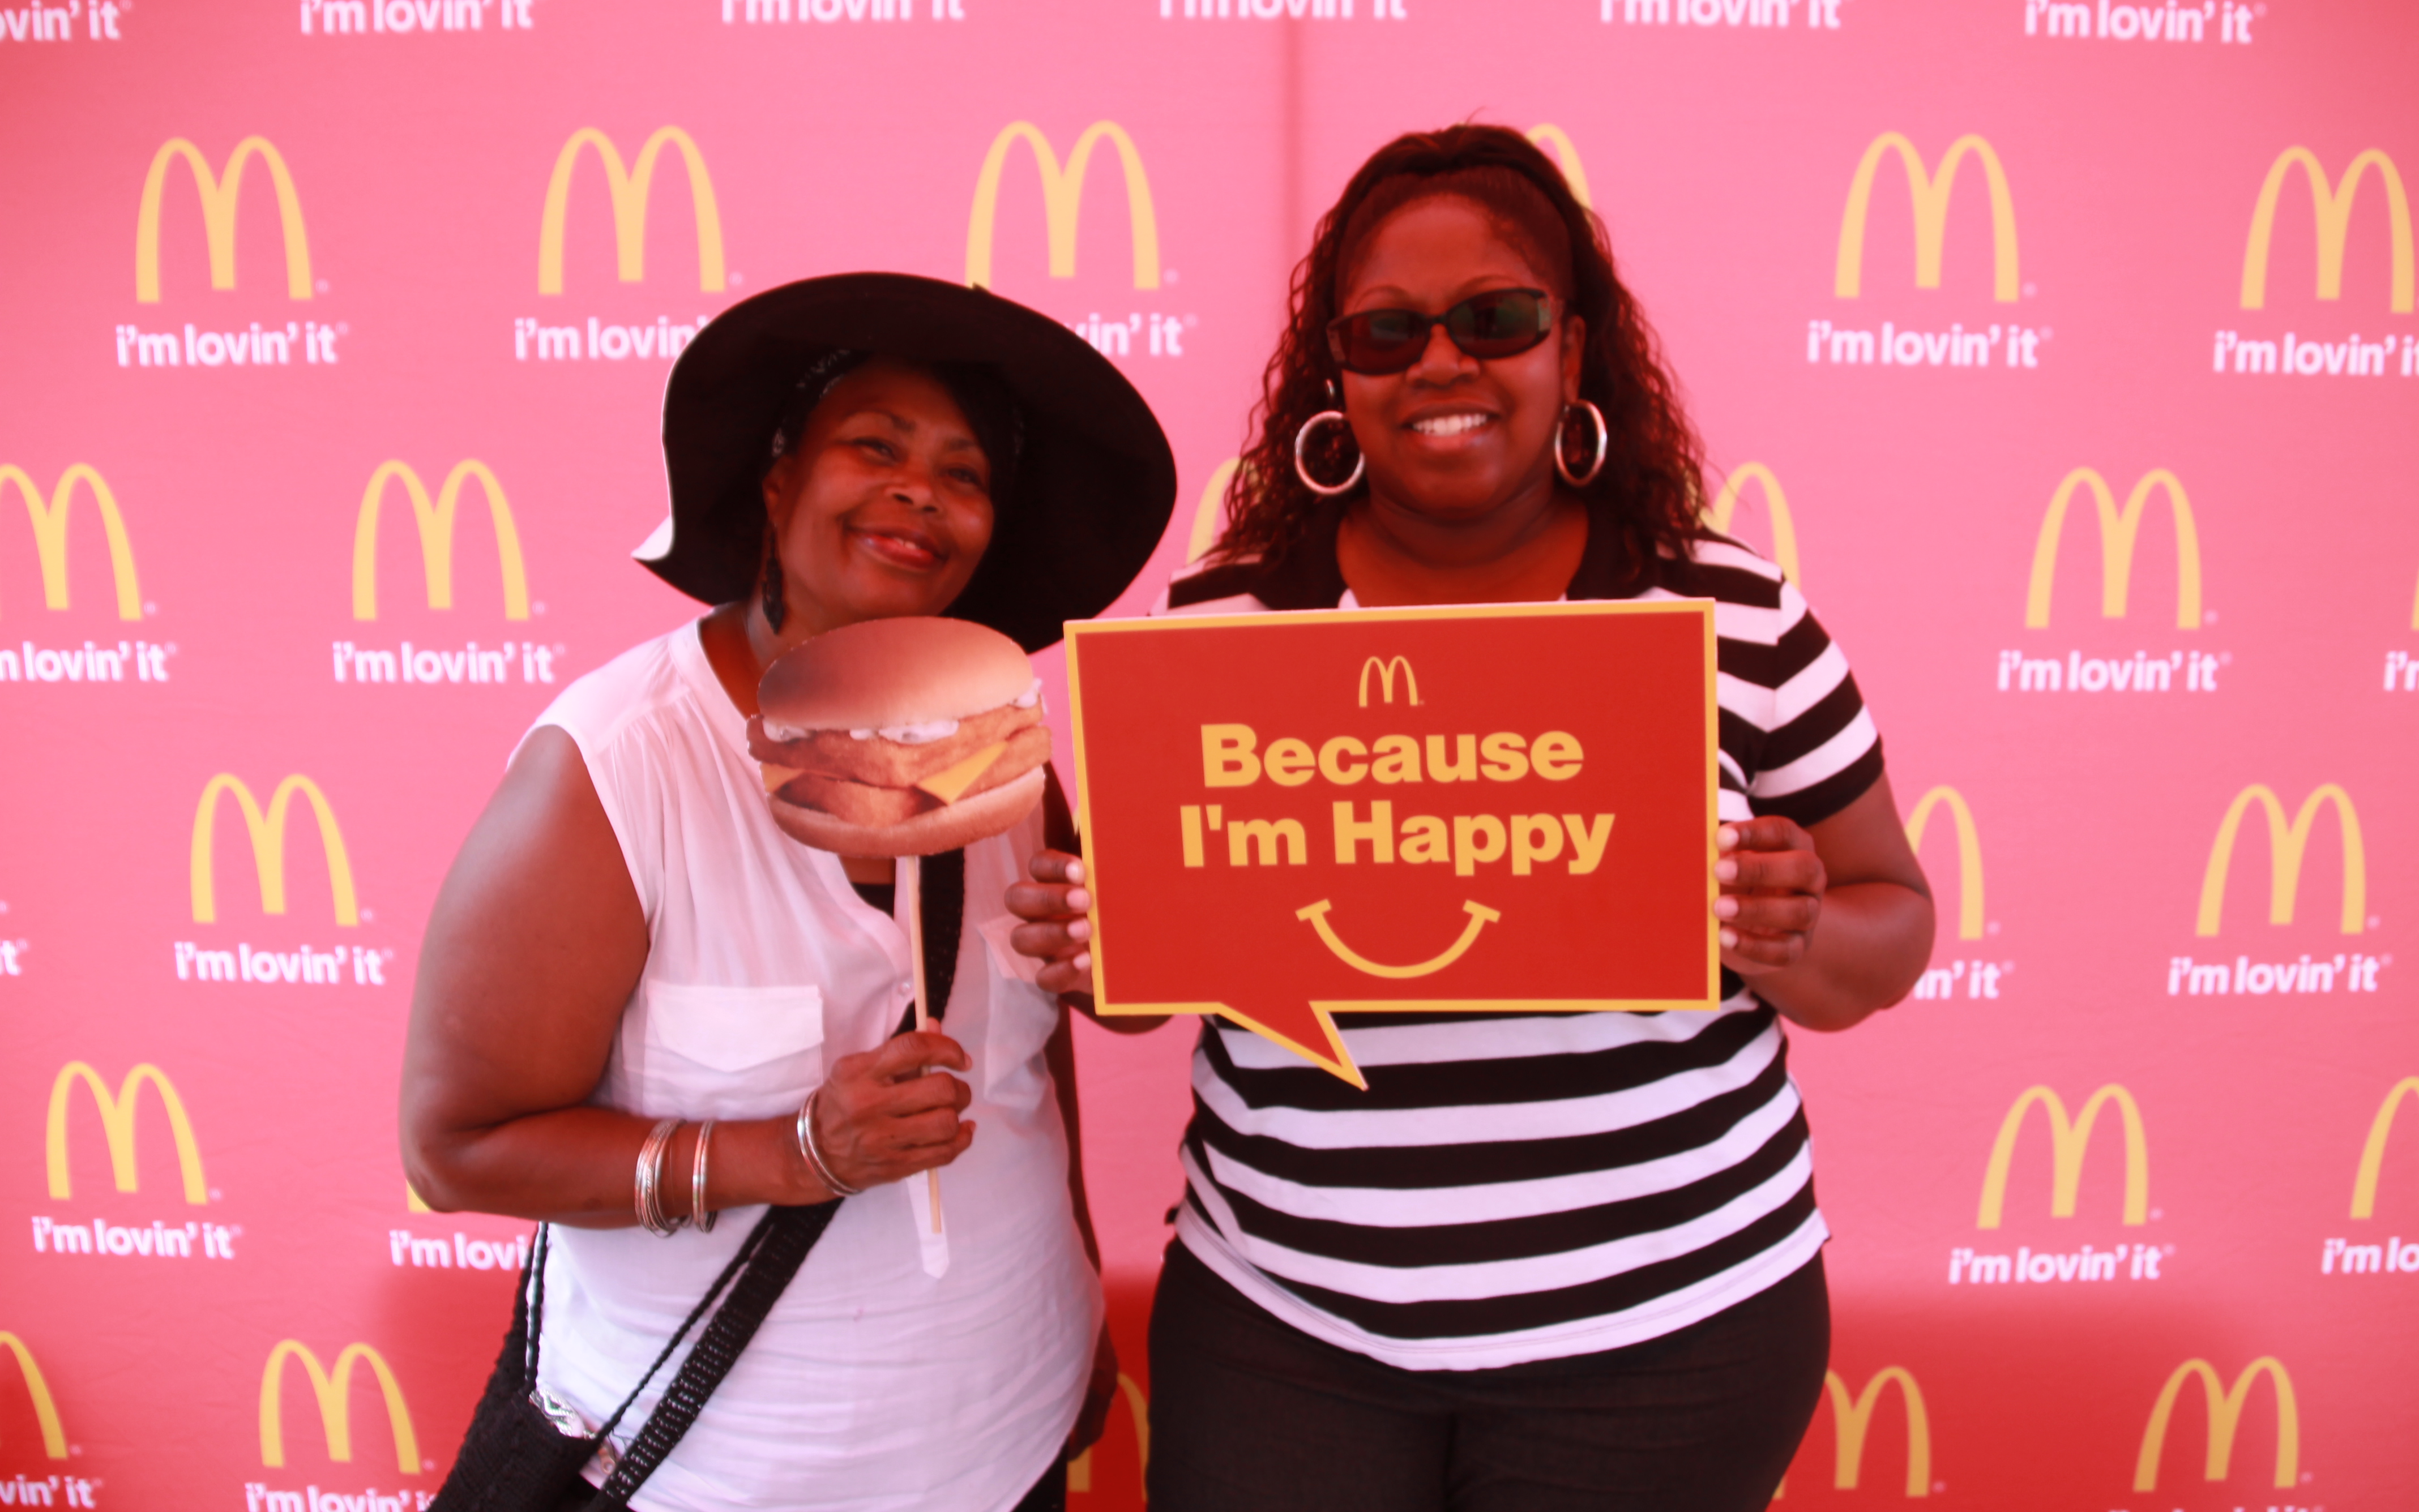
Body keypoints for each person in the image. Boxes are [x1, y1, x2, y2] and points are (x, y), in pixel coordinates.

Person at [1009, 126, 1935, 1511]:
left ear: (1574, 346)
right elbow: (1147, 986)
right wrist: (1096, 952)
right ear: (1338, 373)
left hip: (1672, 1339)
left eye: (1494, 319)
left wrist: (1789, 933)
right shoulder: (1221, 625)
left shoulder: (1732, 614)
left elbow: (1893, 921)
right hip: (1286, 1331)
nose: (1440, 363)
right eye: (1387, 333)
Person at [400, 273, 1175, 1512]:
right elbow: (457, 1149)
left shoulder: (1003, 750)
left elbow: (1036, 1054)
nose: (921, 490)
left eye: (965, 473)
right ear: (777, 482)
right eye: (875, 446)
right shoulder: (620, 766)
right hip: (715, 1474)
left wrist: (1118, 976)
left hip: (1010, 1434)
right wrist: (794, 1152)